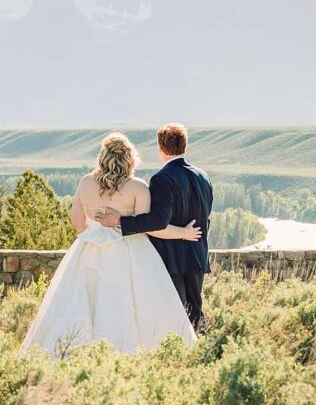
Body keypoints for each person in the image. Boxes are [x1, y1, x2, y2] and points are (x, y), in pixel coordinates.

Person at [20, 132, 200, 356]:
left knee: (80, 304)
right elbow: (149, 226)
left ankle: (75, 353)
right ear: (130, 159)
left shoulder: (86, 183)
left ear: (103, 157)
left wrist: (98, 234)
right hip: (132, 251)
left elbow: (78, 223)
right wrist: (183, 232)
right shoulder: (138, 187)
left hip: (89, 252)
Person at [96, 123, 212, 329]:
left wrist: (120, 221)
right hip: (198, 254)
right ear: (185, 145)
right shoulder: (203, 176)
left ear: (160, 148)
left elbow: (158, 221)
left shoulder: (162, 179)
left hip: (172, 257)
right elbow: (206, 216)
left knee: (177, 313)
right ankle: (202, 350)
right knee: (195, 309)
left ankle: (184, 353)